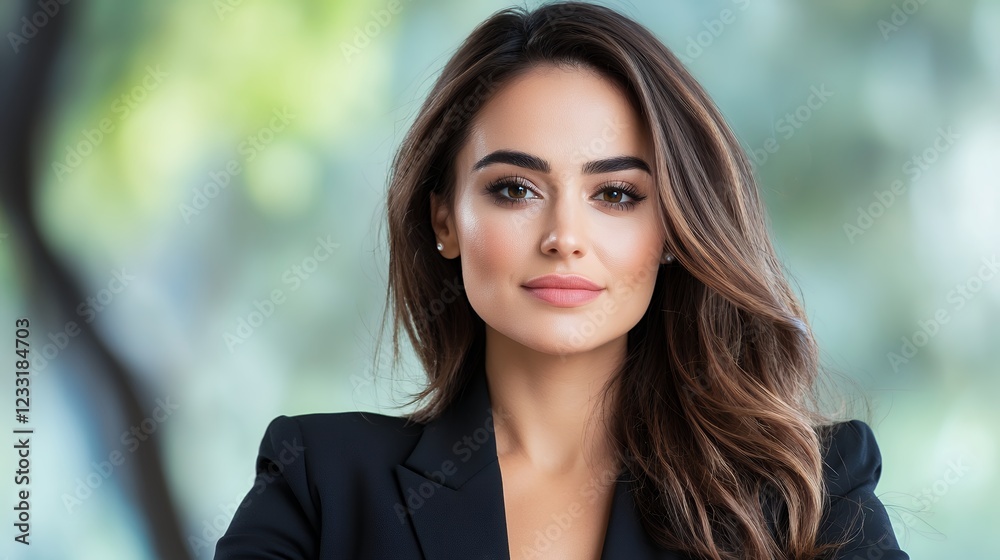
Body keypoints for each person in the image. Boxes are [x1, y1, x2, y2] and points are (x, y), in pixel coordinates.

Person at [214, 2, 910, 558]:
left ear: (672, 228)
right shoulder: (322, 484)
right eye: (514, 189)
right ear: (444, 221)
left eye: (616, 194)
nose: (564, 238)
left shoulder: (809, 492)